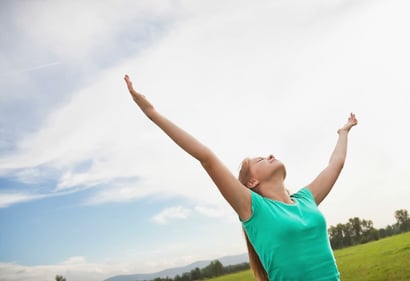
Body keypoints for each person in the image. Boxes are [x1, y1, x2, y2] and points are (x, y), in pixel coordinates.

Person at [124, 74, 358, 281]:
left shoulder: (306, 199)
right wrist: (151, 113)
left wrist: (343, 132)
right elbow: (207, 158)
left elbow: (335, 164)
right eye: (260, 160)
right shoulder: (253, 208)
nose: (270, 155)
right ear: (251, 182)